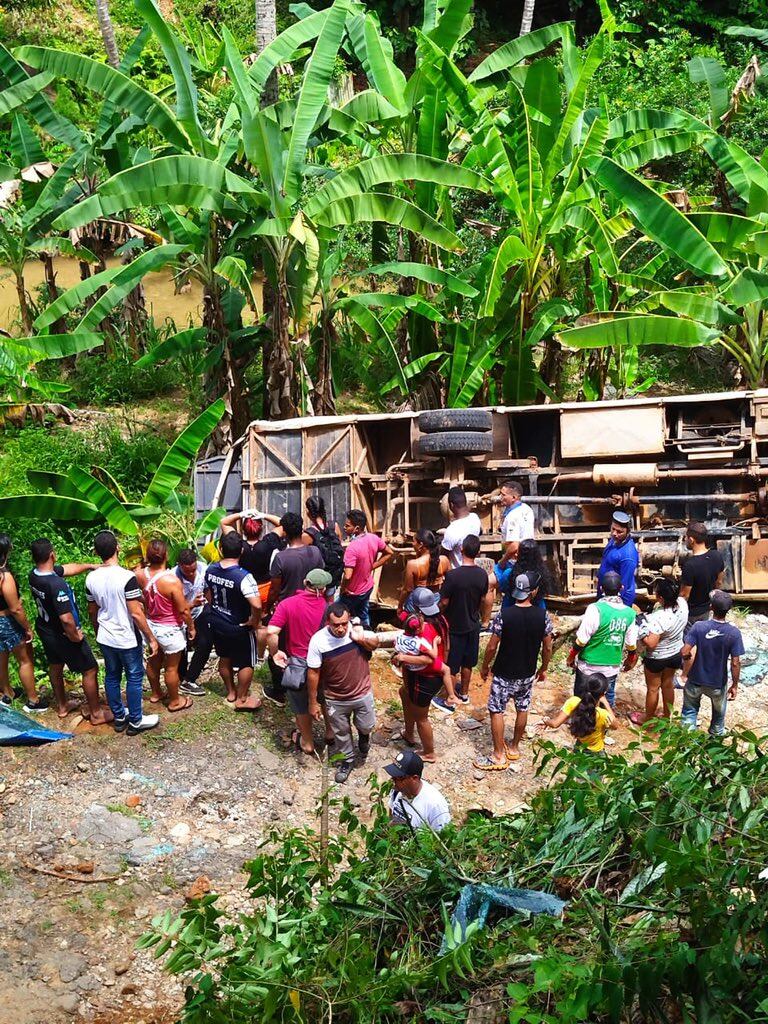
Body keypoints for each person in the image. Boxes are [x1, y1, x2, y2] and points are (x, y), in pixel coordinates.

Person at [474, 572, 553, 770]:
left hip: (504, 672)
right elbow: (548, 647)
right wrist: (543, 668)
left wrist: (485, 666)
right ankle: (514, 747)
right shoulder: (542, 616)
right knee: (522, 707)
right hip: (527, 672)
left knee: (497, 710)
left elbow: (492, 646)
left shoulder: (505, 614)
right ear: (533, 591)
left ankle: (498, 755)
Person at [85, 530, 160, 735]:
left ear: (97, 552)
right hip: (126, 637)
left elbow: (93, 610)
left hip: (106, 636)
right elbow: (135, 613)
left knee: (112, 675)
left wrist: (98, 629)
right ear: (117, 548)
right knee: (134, 676)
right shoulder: (127, 577)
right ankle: (136, 719)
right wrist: (151, 638)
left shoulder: (91, 578)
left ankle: (119, 717)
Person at [28, 538, 109, 723]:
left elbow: (65, 569)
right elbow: (66, 618)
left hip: (45, 629)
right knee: (90, 669)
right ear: (52, 555)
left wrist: (90, 565)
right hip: (63, 634)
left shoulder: (35, 575)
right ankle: (96, 713)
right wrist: (75, 636)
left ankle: (63, 706)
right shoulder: (56, 585)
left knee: (55, 666)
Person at [306, 602, 379, 784]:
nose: (340, 629)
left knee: (367, 724)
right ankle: (346, 761)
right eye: (336, 625)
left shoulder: (358, 631)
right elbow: (313, 672)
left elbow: (375, 644)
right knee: (341, 732)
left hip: (362, 692)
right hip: (335, 698)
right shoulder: (318, 641)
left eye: (344, 624)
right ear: (327, 623)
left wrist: (359, 638)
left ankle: (363, 737)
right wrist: (313, 701)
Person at [266, 567, 333, 755]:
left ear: (306, 583)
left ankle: (308, 742)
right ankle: (330, 732)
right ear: (324, 588)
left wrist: (275, 653)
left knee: (300, 704)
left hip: (298, 663)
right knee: (324, 697)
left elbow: (271, 632)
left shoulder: (288, 604)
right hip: (324, 664)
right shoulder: (329, 608)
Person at [205, 531, 262, 711]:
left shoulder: (210, 569)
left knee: (225, 657)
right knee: (246, 662)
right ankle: (242, 697)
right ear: (242, 551)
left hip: (218, 621)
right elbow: (257, 605)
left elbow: (208, 595)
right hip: (239, 626)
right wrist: (255, 620)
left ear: (220, 549)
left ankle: (230, 692)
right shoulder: (243, 576)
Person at [136, 540, 195, 714]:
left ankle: (156, 693)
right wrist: (191, 627)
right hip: (169, 629)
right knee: (171, 667)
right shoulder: (171, 581)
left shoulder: (139, 574)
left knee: (153, 662)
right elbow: (183, 610)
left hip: (151, 626)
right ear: (166, 556)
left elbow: (140, 596)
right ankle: (175, 700)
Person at [567, 570, 638, 710]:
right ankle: (604, 726)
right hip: (611, 666)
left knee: (582, 696)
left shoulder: (595, 609)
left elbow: (581, 640)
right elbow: (631, 644)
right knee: (607, 696)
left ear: (601, 589)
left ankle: (581, 726)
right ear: (621, 588)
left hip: (589, 665)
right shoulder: (630, 613)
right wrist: (630, 660)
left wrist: (571, 657)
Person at [394, 587, 450, 761]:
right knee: (404, 693)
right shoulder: (440, 620)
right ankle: (409, 733)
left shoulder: (422, 630)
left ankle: (429, 752)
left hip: (424, 676)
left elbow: (426, 659)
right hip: (431, 673)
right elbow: (446, 647)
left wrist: (402, 657)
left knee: (422, 716)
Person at [680, 590, 743, 736]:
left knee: (689, 713)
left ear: (711, 607)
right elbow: (735, 663)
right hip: (717, 684)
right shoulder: (733, 633)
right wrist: (734, 685)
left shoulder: (699, 626)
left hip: (695, 680)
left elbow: (684, 651)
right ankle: (715, 751)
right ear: (728, 610)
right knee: (718, 720)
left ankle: (687, 748)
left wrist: (688, 656)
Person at [438, 534, 490, 709]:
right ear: (478, 552)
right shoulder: (482, 575)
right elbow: (483, 599)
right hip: (473, 625)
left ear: (461, 550)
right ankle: (465, 694)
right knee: (468, 662)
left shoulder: (453, 576)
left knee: (452, 665)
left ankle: (450, 699)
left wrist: (437, 614)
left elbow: (444, 602)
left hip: (455, 626)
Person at [630, 578, 688, 726]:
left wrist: (641, 628)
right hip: (675, 652)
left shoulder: (659, 618)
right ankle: (667, 716)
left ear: (660, 598)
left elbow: (651, 644)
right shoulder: (682, 604)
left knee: (653, 689)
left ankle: (647, 718)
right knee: (668, 684)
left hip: (658, 657)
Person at [0, 534, 47, 712]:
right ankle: (33, 701)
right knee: (25, 659)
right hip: (6, 621)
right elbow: (15, 608)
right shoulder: (5, 577)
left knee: (2, 655)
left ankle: (7, 692)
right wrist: (27, 628)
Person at [221, 509, 285, 611]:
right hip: (264, 590)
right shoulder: (268, 542)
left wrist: (241, 514)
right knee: (262, 619)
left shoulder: (238, 544)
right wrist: (263, 515)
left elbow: (224, 522)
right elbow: (283, 524)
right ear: (261, 529)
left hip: (244, 589)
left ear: (242, 530)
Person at [539, 673, 616, 755]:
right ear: (603, 693)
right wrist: (606, 703)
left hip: (579, 748)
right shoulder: (602, 714)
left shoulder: (573, 702)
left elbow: (555, 724)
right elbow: (615, 726)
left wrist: (546, 721)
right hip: (596, 753)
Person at [340, 509, 393, 627]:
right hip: (367, 587)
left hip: (353, 592)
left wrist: (343, 589)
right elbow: (389, 552)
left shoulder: (352, 548)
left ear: (357, 528)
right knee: (363, 613)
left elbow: (348, 576)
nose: (344, 527)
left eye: (347, 526)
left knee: (339, 614)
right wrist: (372, 566)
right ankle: (367, 633)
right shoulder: (373, 538)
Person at [392, 612, 456, 705]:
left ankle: (406, 687)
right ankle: (451, 696)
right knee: (447, 669)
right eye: (423, 625)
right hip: (422, 667)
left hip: (409, 666)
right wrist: (435, 643)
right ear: (417, 629)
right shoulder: (419, 642)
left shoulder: (398, 637)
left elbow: (397, 649)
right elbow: (433, 656)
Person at [385, 751, 451, 832]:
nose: (393, 781)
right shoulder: (397, 791)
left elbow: (441, 838)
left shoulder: (435, 805)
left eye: (398, 778)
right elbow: (391, 811)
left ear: (414, 778)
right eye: (393, 777)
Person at [176, 548, 211, 697]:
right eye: (187, 572)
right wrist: (192, 604)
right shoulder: (173, 578)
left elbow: (209, 589)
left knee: (205, 644)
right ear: (179, 566)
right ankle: (180, 678)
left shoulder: (204, 569)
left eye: (193, 570)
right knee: (182, 650)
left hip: (200, 614)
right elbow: (176, 608)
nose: (191, 574)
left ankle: (190, 679)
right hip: (180, 618)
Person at [680, 522, 725, 627]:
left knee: (689, 640)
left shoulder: (689, 565)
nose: (685, 540)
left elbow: (684, 595)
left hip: (692, 613)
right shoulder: (717, 555)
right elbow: (719, 582)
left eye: (686, 538)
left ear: (691, 540)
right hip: (707, 609)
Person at [399, 529, 450, 612]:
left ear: (421, 545)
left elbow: (407, 589)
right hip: (436, 600)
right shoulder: (444, 560)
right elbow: (450, 582)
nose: (412, 544)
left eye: (414, 541)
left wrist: (400, 606)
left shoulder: (413, 564)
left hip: (417, 602)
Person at [597, 510, 639, 608]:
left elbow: (625, 586)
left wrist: (618, 609)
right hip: (605, 591)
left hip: (617, 599)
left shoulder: (628, 556)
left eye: (619, 532)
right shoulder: (615, 540)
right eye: (613, 529)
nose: (615, 533)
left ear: (627, 532)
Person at [304, 496, 344, 596]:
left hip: (319, 581)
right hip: (336, 577)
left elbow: (302, 557)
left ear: (308, 512)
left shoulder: (308, 534)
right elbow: (340, 546)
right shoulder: (334, 526)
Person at [441, 487, 482, 569]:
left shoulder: (452, 529)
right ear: (465, 502)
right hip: (472, 568)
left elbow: (443, 556)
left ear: (451, 505)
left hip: (457, 574)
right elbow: (480, 531)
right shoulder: (475, 518)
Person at [498, 479, 535, 569]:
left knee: (492, 581)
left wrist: (502, 562)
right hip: (529, 558)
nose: (500, 497)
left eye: (503, 495)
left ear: (514, 498)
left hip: (514, 562)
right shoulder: (527, 508)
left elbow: (514, 545)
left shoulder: (512, 516)